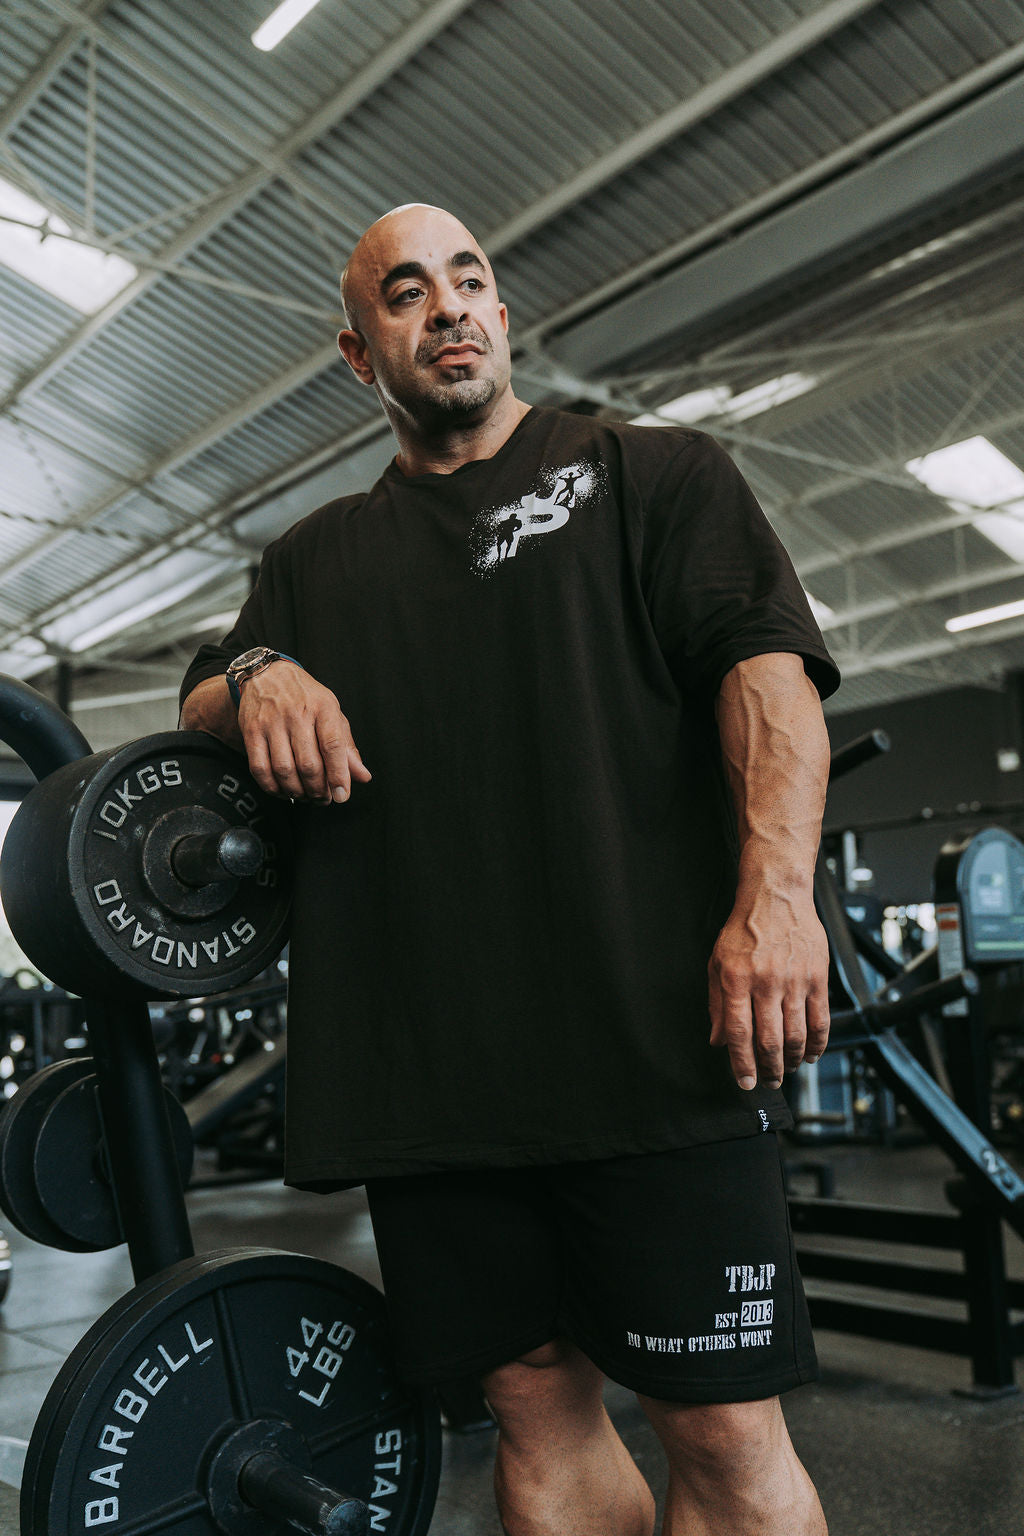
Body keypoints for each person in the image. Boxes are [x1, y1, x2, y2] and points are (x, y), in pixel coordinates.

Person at [179, 203, 839, 1536]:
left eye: (469, 280)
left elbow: (768, 683)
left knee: (718, 1426)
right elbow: (203, 694)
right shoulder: (312, 566)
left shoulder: (655, 475)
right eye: (409, 294)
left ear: (501, 307)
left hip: (651, 1044)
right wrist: (259, 672)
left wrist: (776, 901)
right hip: (437, 1086)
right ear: (361, 354)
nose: (453, 309)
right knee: (535, 1413)